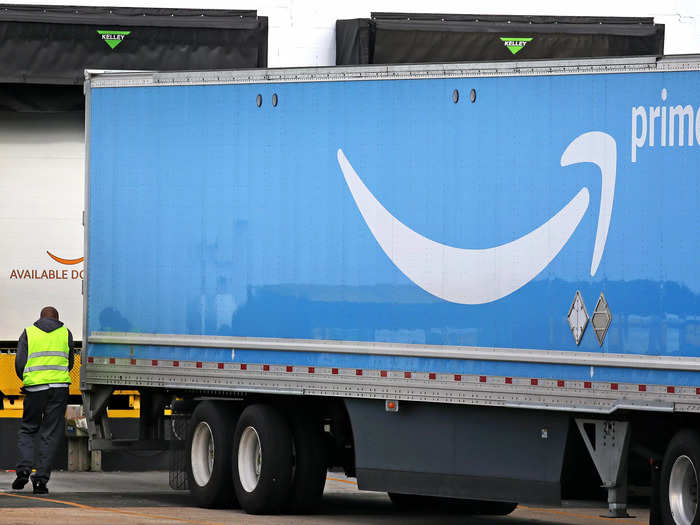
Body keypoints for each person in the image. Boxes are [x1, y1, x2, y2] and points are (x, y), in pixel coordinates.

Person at [12, 306, 74, 495]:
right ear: (57, 319)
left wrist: (28, 379)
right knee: (50, 433)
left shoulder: (29, 332)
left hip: (35, 389)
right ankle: (40, 481)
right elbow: (70, 362)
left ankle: (23, 469)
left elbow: (20, 362)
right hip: (59, 388)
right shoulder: (66, 333)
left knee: (28, 429)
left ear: (40, 318)